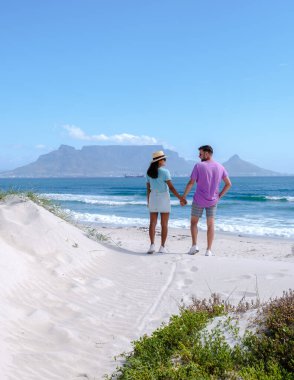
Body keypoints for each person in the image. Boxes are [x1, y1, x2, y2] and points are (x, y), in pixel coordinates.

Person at [181, 145, 231, 256]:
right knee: (211, 225)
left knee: (194, 223)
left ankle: (194, 246)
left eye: (200, 153)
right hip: (213, 201)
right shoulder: (220, 167)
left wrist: (183, 197)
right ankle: (208, 250)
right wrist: (219, 196)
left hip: (198, 199)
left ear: (207, 154)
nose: (199, 156)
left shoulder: (199, 166)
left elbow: (191, 183)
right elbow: (228, 184)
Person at [146, 150, 185, 254]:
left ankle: (152, 245)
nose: (165, 161)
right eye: (164, 159)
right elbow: (171, 188)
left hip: (153, 197)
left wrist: (148, 201)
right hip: (163, 197)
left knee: (152, 223)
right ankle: (162, 247)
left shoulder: (149, 172)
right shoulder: (165, 172)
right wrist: (180, 198)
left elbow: (148, 189)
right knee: (164, 224)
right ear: (160, 161)